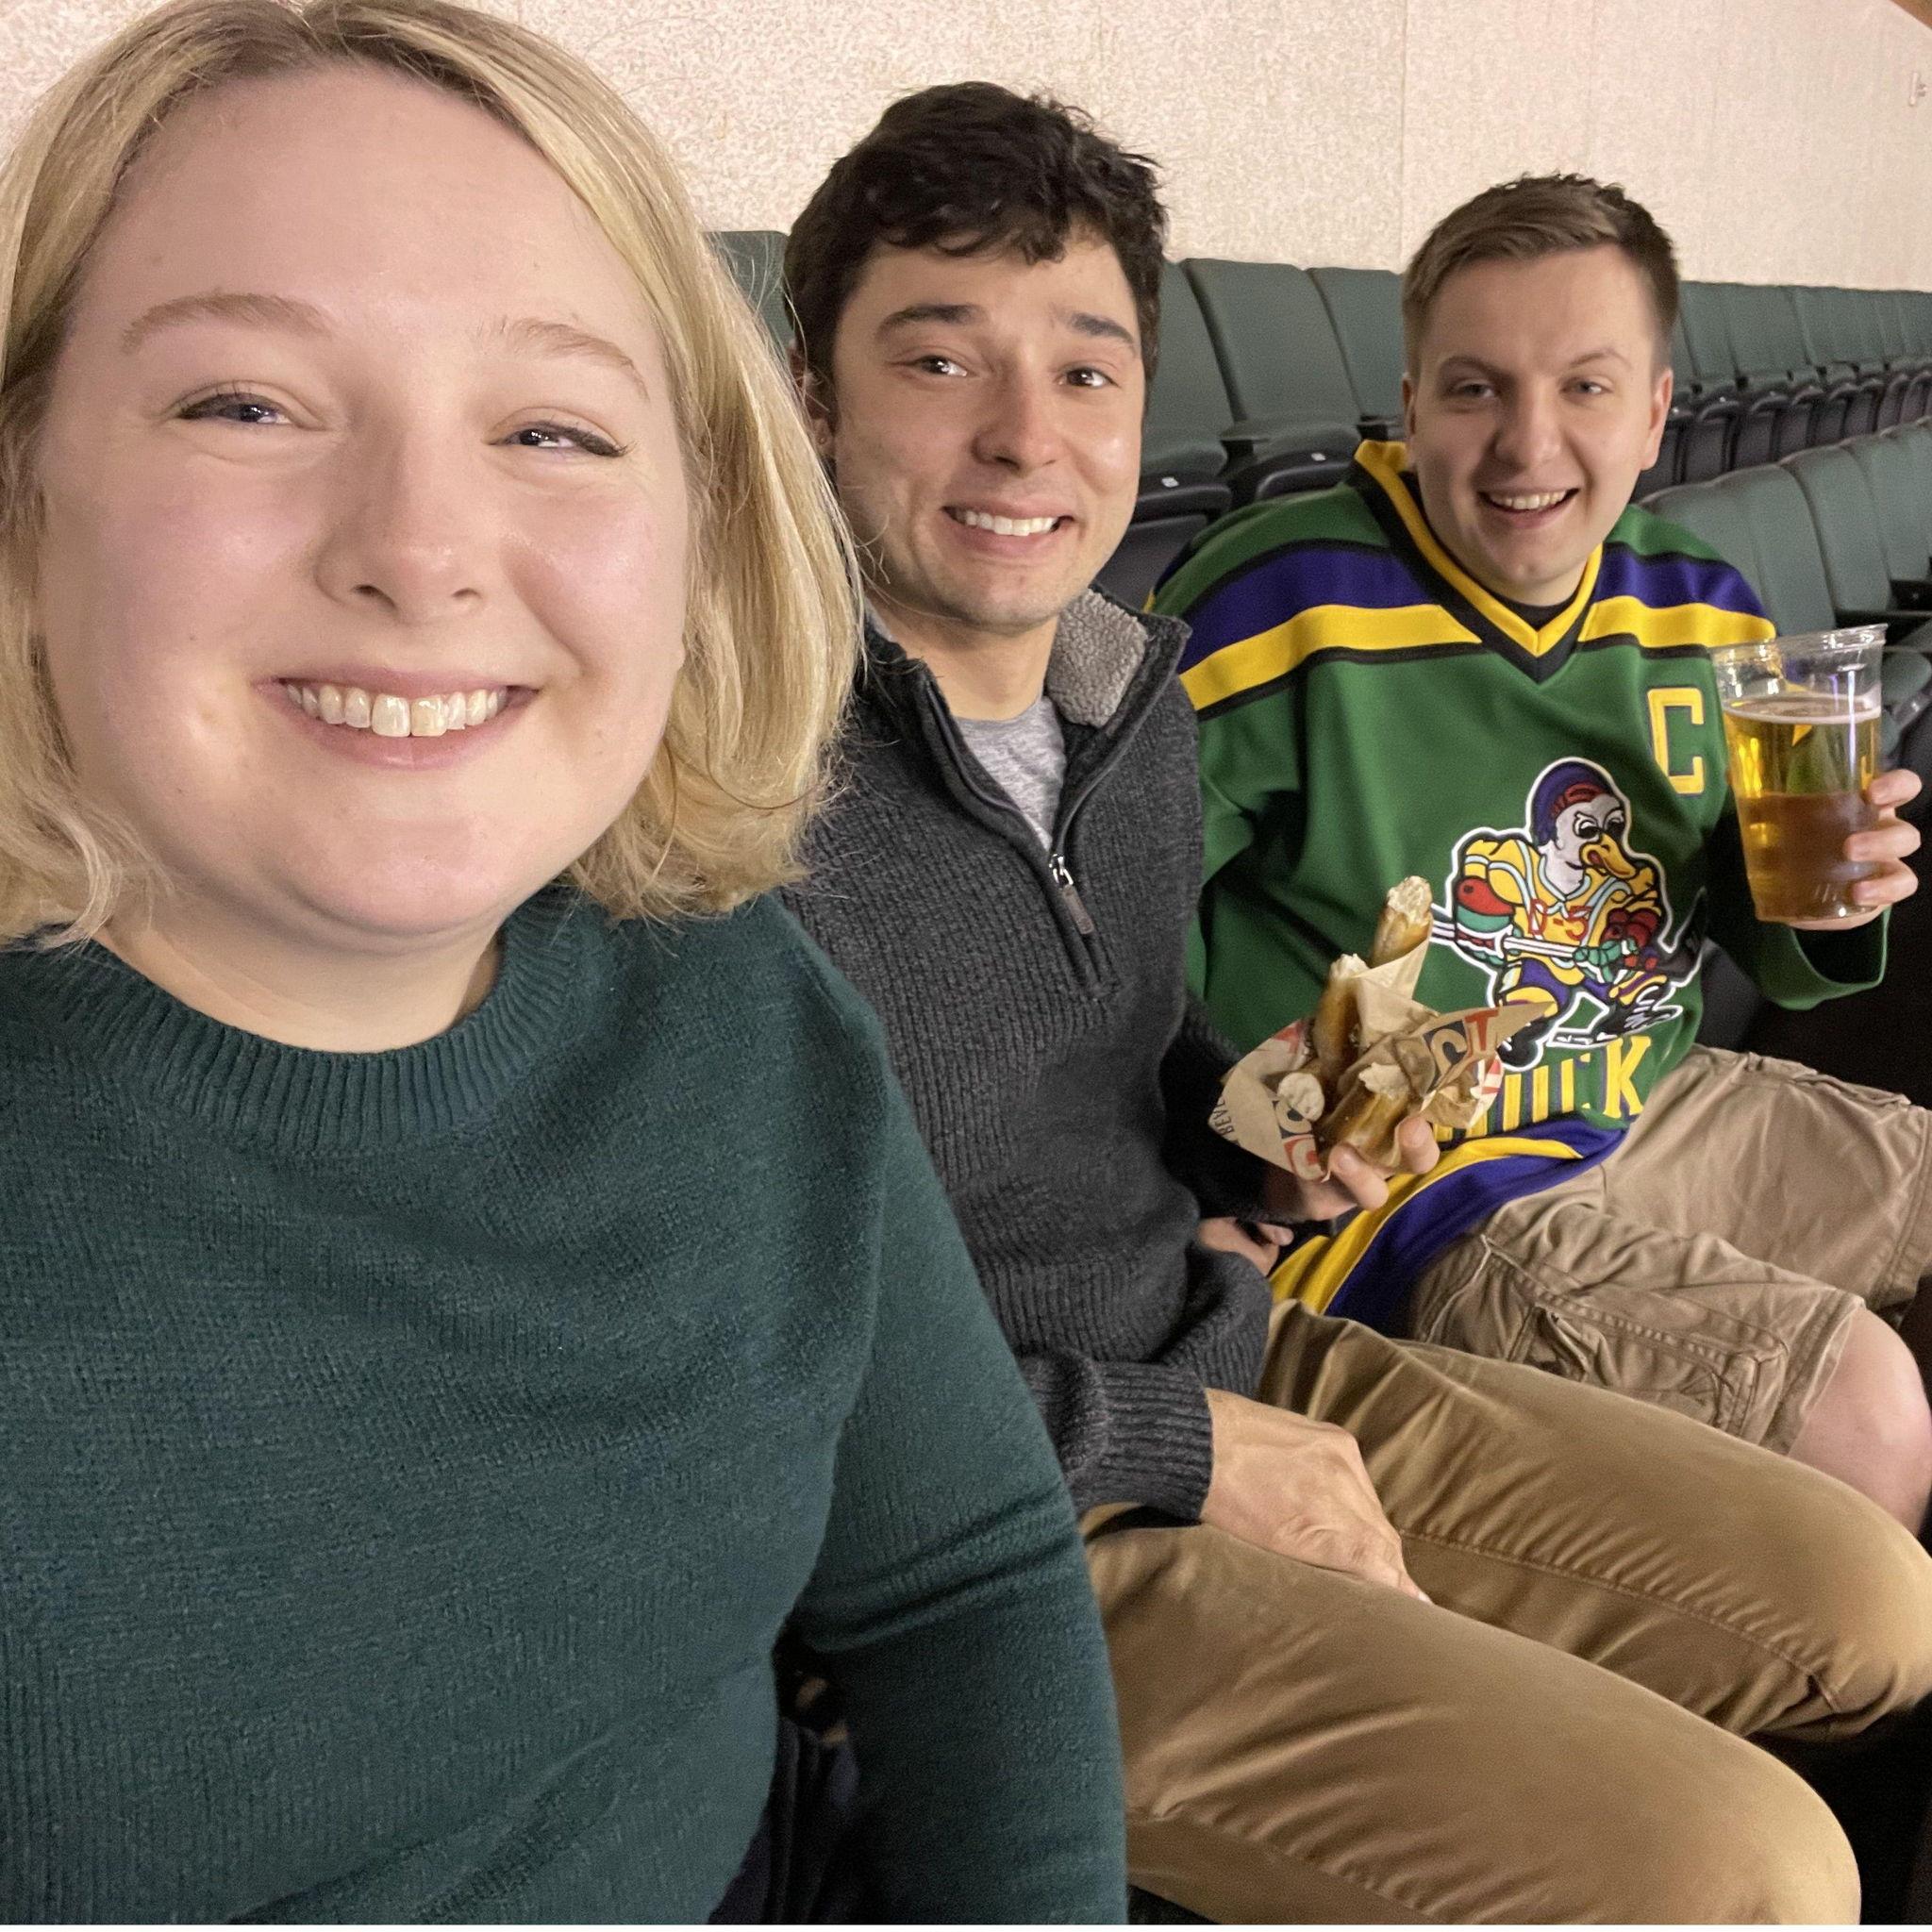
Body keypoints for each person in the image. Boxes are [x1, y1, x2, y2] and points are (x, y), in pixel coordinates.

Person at [0, 5, 1130, 1920]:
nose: (421, 549)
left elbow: (964, 1582)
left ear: (697, 531)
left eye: (552, 429)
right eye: (245, 403)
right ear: (25, 491)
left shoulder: (735, 998)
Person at [781, 93, 1932, 1924]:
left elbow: (1111, 1048)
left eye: (1085, 372)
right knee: (1763, 1868)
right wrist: (1183, 1431)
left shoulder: (1112, 694)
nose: (1024, 436)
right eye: (937, 359)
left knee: (1875, 1613)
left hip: (1218, 1337)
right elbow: (748, 1374)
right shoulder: (732, 808)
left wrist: (1259, 1136)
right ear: (809, 401)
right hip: (993, 1513)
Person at [1156, 174, 1932, 1533]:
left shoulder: (1705, 609)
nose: (1529, 443)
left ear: (1654, 411)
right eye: (1477, 389)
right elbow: (1106, 955)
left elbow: (1761, 939)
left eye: (1585, 387)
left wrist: (1831, 897)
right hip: (1408, 1179)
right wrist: (1235, 1166)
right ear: (1412, 403)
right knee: (1862, 1416)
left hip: (1644, 1092)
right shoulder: (1269, 604)